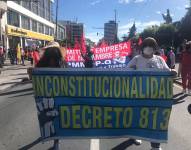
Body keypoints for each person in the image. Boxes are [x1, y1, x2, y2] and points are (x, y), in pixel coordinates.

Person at [127, 37, 176, 150]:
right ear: (142, 47)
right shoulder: (136, 59)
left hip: (156, 97)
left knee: (155, 120)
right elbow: (126, 71)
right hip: (139, 96)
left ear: (155, 48)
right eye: (146, 45)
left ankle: (155, 145)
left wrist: (173, 72)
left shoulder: (159, 59)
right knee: (138, 117)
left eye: (151, 45)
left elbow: (168, 72)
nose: (149, 48)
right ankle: (136, 135)